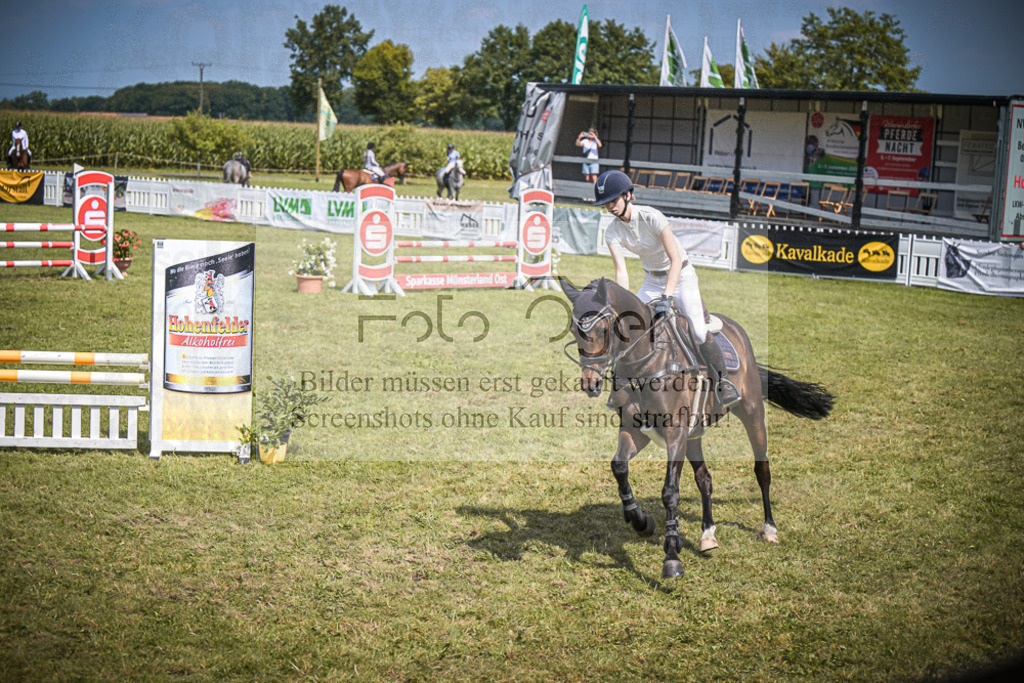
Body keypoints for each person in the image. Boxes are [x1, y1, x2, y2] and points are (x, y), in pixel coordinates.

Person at [593, 169, 740, 408]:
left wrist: (667, 297)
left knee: (700, 332)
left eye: (613, 199)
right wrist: (624, 305)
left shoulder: (652, 217)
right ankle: (621, 388)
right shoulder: (613, 231)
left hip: (682, 277)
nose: (610, 206)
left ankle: (724, 384)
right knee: (628, 328)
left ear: (628, 195)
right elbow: (622, 271)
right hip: (651, 281)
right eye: (605, 203)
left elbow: (675, 260)